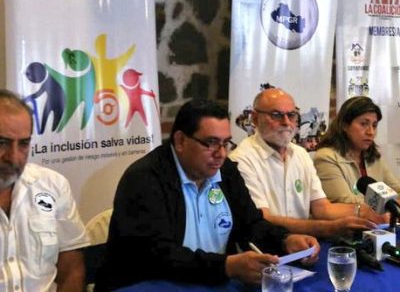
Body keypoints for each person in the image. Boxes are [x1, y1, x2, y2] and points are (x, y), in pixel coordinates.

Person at [95, 99, 319, 291]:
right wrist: (226, 266)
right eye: (211, 143)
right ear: (180, 141)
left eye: (225, 143)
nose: (220, 154)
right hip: (150, 284)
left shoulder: (226, 170)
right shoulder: (144, 179)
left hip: (210, 281)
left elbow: (250, 224)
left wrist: (285, 240)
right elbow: (157, 256)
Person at [229, 88, 388, 239]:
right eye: (276, 115)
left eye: (291, 115)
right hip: (265, 251)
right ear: (255, 119)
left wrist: (363, 212)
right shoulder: (241, 159)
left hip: (306, 247)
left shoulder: (300, 154)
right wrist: (328, 228)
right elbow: (262, 219)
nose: (286, 122)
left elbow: (321, 208)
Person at [0, 89, 89, 291]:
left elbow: (72, 269)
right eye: (2, 143)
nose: (14, 157)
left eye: (23, 144)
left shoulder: (52, 185)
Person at [314, 96, 400, 204]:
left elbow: (397, 190)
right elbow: (346, 202)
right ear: (344, 125)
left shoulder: (372, 157)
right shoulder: (326, 158)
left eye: (374, 125)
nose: (371, 132)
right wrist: (389, 204)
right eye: (363, 124)